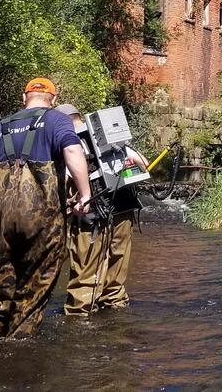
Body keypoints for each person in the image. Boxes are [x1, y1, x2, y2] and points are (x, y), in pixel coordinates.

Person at [0, 77, 93, 339]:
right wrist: (85, 194)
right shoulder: (56, 120)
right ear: (53, 99)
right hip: (41, 222)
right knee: (33, 288)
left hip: (2, 223)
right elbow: (73, 151)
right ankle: (19, 350)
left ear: (24, 97)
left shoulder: (0, 127)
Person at [56, 104, 143, 316]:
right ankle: (114, 309)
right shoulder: (108, 135)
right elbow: (143, 165)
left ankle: (80, 315)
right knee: (116, 270)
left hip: (92, 214)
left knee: (85, 271)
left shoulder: (69, 141)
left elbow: (67, 178)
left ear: (63, 121)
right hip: (124, 208)